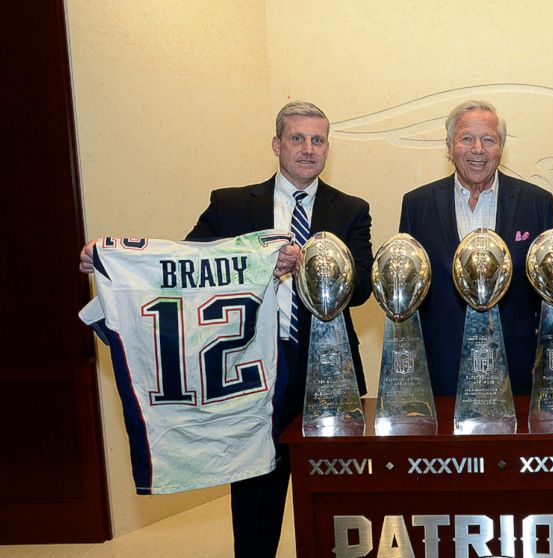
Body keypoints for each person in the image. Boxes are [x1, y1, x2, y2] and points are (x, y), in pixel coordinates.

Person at [80, 100, 373, 558]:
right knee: (257, 489)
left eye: (318, 140)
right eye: (297, 138)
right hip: (247, 369)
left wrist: (312, 267)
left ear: (327, 149)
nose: (308, 149)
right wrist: (111, 262)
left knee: (338, 489)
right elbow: (181, 271)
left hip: (328, 372)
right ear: (277, 144)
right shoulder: (232, 203)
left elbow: (359, 290)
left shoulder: (352, 209)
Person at [399, 100, 553, 397]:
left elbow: (550, 295)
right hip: (440, 371)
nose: (477, 149)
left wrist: (547, 358)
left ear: (501, 148)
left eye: (488, 139)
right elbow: (408, 298)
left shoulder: (537, 203)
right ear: (449, 146)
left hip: (516, 369)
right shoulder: (417, 205)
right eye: (466, 138)